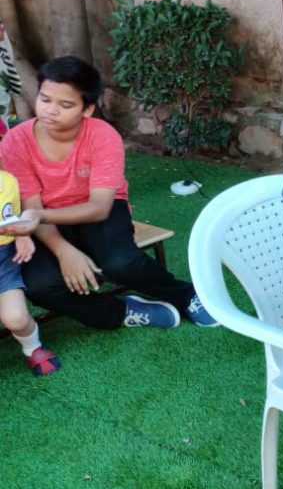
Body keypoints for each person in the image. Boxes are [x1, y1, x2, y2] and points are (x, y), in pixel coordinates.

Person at [0, 56, 216, 331]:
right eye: (45, 99)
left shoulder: (102, 136)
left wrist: (40, 217)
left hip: (96, 211)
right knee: (39, 285)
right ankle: (121, 311)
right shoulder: (16, 141)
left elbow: (99, 207)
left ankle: (185, 296)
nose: (50, 110)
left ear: (87, 109)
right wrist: (64, 251)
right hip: (45, 220)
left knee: (120, 263)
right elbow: (32, 206)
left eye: (65, 105)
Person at [0, 168, 61, 376]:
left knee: (16, 317)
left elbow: (13, 218)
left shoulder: (8, 182)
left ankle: (32, 348)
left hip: (4, 261)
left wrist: (22, 235)